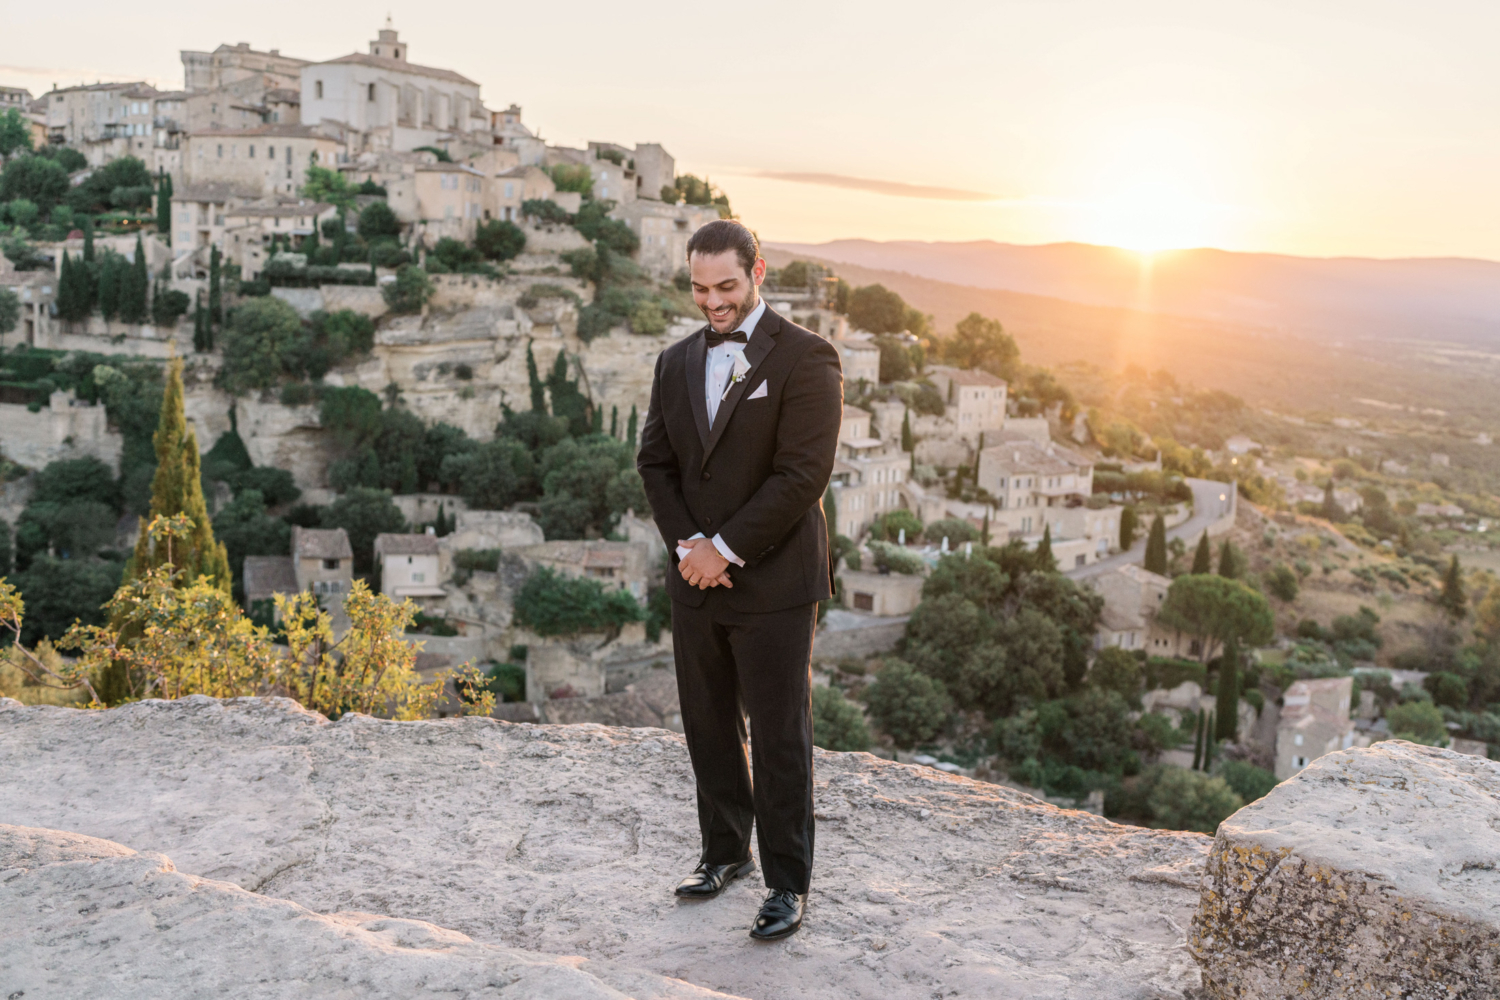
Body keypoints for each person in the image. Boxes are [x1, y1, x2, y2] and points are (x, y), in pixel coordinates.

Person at [637, 220, 842, 940]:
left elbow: (801, 475)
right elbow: (655, 464)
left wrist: (725, 547)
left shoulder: (809, 359)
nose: (713, 302)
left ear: (758, 271)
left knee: (780, 732)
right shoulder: (674, 361)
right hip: (695, 576)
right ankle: (724, 853)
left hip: (776, 582)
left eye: (726, 286)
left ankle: (788, 882)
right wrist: (690, 546)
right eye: (700, 288)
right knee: (707, 722)